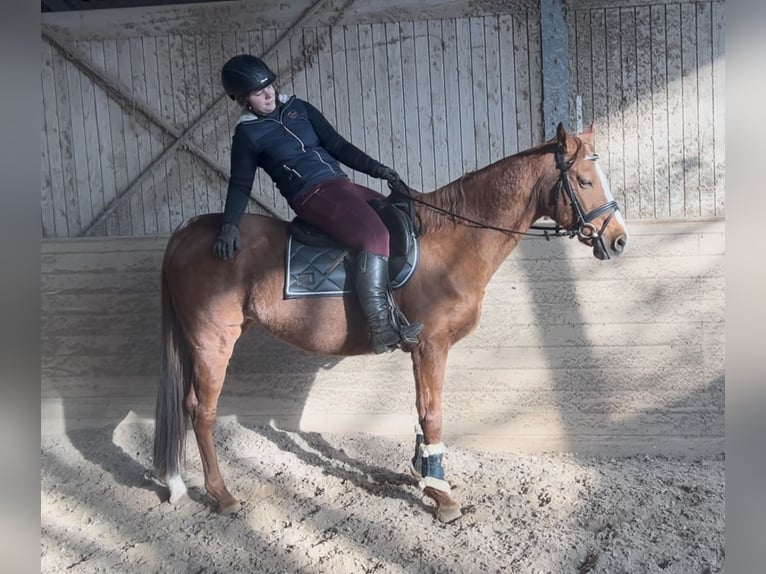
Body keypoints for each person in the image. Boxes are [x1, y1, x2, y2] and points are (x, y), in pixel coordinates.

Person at [214, 54, 422, 354]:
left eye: (270, 86)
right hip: (311, 196)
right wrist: (230, 224)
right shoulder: (247, 134)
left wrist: (379, 170)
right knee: (374, 237)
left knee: (397, 214)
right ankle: (382, 330)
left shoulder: (299, 107)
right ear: (243, 100)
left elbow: (337, 145)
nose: (269, 93)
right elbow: (240, 183)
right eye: (259, 93)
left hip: (342, 185)